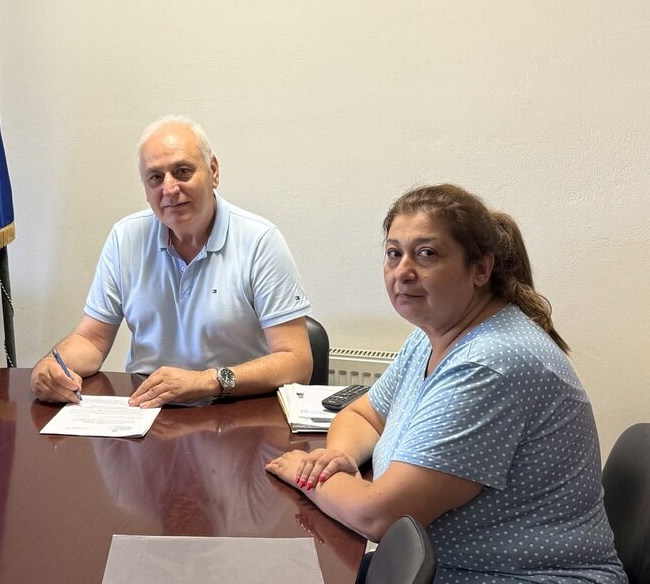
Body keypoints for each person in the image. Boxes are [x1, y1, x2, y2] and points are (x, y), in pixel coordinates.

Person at [265, 184, 626, 582]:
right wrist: (338, 457)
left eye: (427, 254)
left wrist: (306, 474)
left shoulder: (490, 366)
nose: (403, 271)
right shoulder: (430, 337)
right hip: (442, 566)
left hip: (518, 576)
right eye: (394, 253)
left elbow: (379, 515)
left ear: (481, 270)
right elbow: (365, 415)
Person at [30, 116, 313, 408]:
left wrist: (206, 381)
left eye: (182, 171)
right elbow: (92, 340)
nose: (169, 189)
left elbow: (296, 362)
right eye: (155, 177)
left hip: (234, 411)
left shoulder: (260, 241)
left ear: (213, 171)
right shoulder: (125, 238)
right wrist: (53, 365)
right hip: (147, 410)